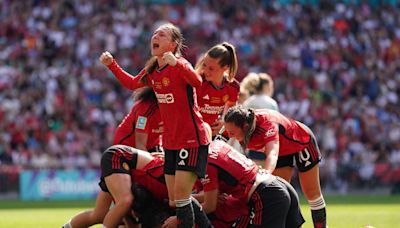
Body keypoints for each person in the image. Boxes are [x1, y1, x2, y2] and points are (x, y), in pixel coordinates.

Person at [99, 23, 211, 228]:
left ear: (173, 43)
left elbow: (197, 82)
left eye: (161, 34)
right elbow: (133, 83)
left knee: (181, 198)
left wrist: (178, 64)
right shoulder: (153, 70)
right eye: (154, 34)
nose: (155, 36)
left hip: (191, 139)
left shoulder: (179, 64)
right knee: (174, 199)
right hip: (170, 143)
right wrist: (111, 64)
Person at [224, 106, 327, 228]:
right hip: (282, 152)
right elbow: (219, 141)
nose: (229, 136)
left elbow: (272, 152)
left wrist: (266, 173)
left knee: (312, 193)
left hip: (301, 142)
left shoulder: (268, 123)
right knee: (282, 195)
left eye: (232, 133)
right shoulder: (236, 123)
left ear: (245, 127)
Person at [163, 140, 305, 228]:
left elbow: (210, 205)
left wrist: (180, 217)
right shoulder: (216, 145)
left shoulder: (205, 162)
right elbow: (215, 193)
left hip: (266, 195)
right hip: (277, 184)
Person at [62, 145, 171, 228]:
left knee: (99, 215)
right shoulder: (171, 180)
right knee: (125, 201)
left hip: (127, 173)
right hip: (118, 160)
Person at [195, 42, 239, 138]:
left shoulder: (233, 86)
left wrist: (224, 121)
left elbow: (231, 107)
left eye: (211, 69)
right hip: (193, 134)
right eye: (204, 65)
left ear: (225, 68)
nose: (206, 71)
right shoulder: (197, 81)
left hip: (213, 136)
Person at [241, 72, 279, 166]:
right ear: (266, 86)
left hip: (251, 145)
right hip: (267, 145)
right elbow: (275, 126)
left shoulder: (248, 102)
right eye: (271, 86)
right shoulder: (271, 103)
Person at [113, 87, 162, 152]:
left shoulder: (174, 108)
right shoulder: (145, 110)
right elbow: (140, 146)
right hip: (127, 147)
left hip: (152, 145)